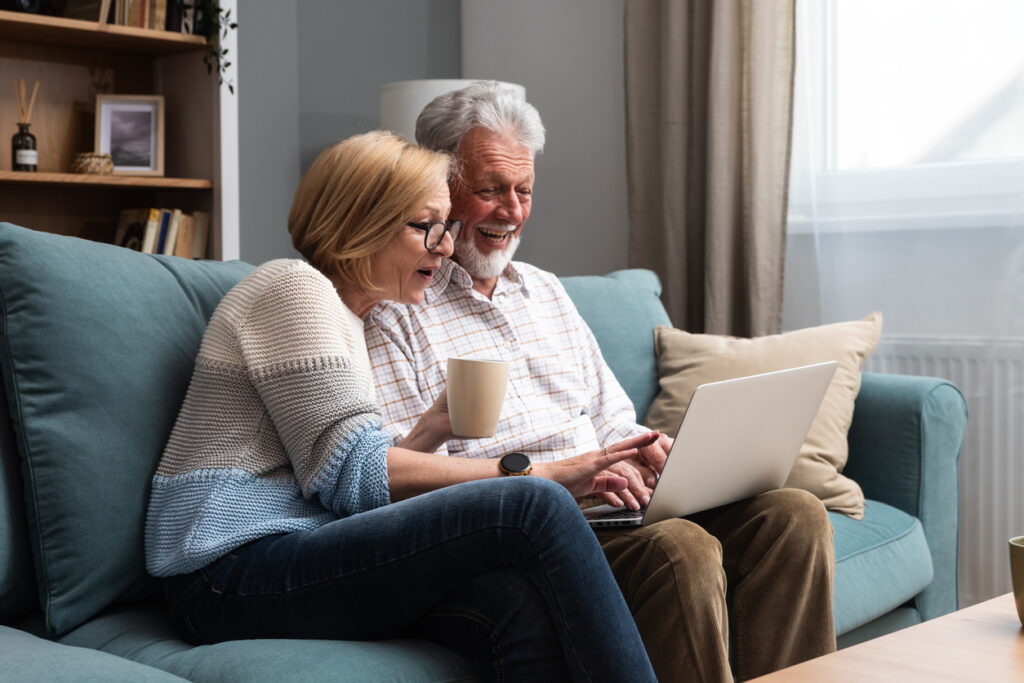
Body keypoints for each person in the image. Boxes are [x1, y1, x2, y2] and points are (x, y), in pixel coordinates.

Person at [144, 130, 659, 682]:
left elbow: (355, 483)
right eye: (425, 227)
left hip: (294, 547)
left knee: (513, 602)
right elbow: (354, 473)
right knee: (534, 504)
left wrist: (434, 426)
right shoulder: (292, 290)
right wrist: (552, 474)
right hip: (226, 570)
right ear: (360, 223)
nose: (444, 246)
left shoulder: (352, 320)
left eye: (446, 228)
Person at [365, 82, 837, 682]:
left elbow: (613, 418)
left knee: (793, 516)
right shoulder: (401, 306)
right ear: (439, 185)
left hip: (613, 504)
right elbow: (411, 480)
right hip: (531, 530)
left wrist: (650, 451)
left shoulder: (547, 292)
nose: (511, 211)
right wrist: (571, 476)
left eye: (524, 191)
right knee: (680, 553)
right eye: (489, 190)